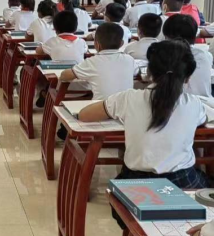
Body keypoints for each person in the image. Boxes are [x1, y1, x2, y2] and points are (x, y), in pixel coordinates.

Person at [79, 40, 208, 189]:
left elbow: (84, 115)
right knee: (206, 180)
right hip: (182, 181)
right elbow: (203, 120)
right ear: (187, 77)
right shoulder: (194, 104)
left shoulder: (127, 99)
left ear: (149, 72)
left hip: (136, 181)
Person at [60, 23, 134, 100]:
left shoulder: (92, 62)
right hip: (127, 106)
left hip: (101, 106)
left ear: (96, 44)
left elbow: (64, 76)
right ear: (121, 43)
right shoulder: (130, 60)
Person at [162, 14, 212, 98]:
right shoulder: (206, 55)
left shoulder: (169, 56)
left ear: (168, 38)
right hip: (207, 101)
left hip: (182, 101)